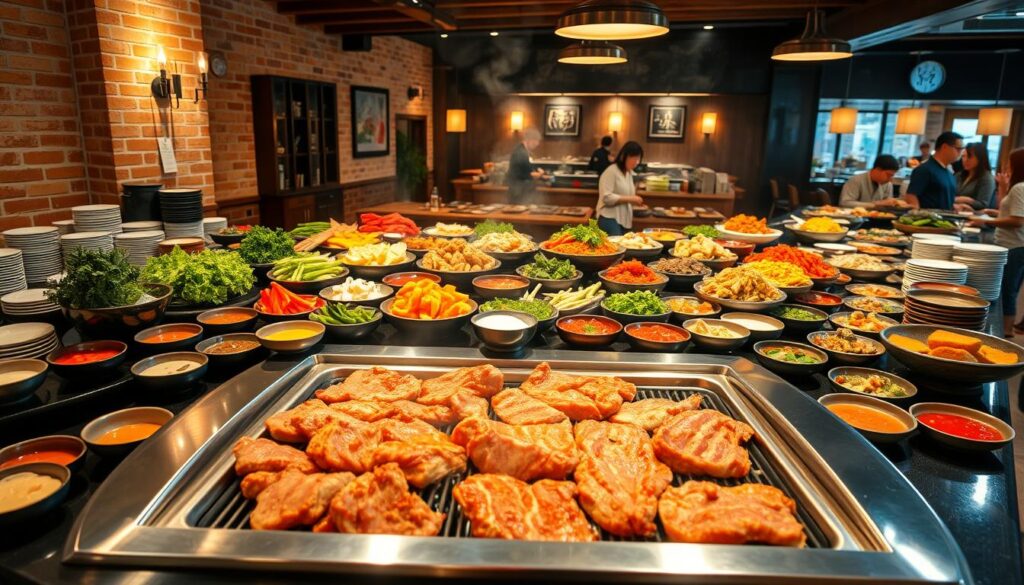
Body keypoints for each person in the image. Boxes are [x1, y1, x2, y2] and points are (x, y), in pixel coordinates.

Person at [969, 148, 1024, 337]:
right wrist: (1001, 189)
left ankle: (1006, 331)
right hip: (1015, 246)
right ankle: (1007, 329)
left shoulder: (1019, 188)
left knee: (1007, 290)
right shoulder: (1017, 187)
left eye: (1010, 163)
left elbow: (1017, 220)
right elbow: (1007, 211)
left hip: (1014, 247)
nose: (1007, 166)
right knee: (1009, 288)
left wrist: (985, 221)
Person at [596, 141, 645, 236]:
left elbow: (625, 197)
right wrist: (631, 199)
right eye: (635, 158)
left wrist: (635, 202)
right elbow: (606, 198)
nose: (637, 162)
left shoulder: (628, 173)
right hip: (609, 219)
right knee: (617, 248)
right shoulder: (611, 171)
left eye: (639, 159)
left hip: (624, 220)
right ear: (624, 156)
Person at [903, 131, 962, 210]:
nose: (960, 153)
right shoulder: (924, 169)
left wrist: (954, 207)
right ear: (944, 147)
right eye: (958, 149)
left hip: (946, 219)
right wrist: (916, 215)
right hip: (928, 220)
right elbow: (911, 196)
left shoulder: (949, 172)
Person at [838, 154, 902, 208]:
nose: (890, 179)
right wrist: (876, 204)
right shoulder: (856, 180)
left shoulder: (888, 184)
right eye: (888, 175)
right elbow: (845, 203)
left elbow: (887, 205)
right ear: (877, 170)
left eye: (892, 175)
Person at [506, 128, 546, 204]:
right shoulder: (521, 153)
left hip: (518, 191)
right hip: (519, 193)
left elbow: (526, 170)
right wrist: (541, 174)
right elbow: (531, 175)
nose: (537, 145)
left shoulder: (520, 149)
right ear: (530, 140)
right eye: (535, 142)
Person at [952, 143, 996, 212]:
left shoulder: (986, 178)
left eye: (970, 157)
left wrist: (967, 200)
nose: (965, 160)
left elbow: (983, 204)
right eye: (963, 156)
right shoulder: (959, 175)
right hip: (953, 211)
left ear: (980, 158)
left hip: (973, 217)